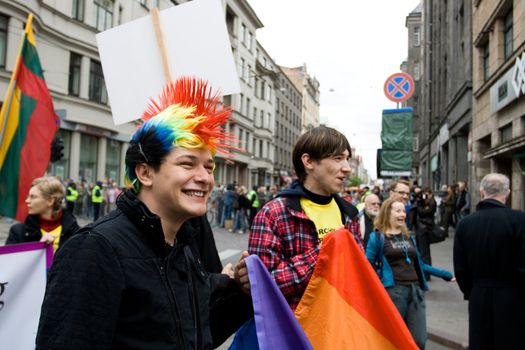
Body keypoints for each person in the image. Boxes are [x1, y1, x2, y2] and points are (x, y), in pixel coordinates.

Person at [36, 78, 251, 349]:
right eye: (187, 163)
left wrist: (241, 293)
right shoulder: (95, 249)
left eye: (209, 167)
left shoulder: (183, 248)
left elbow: (195, 337)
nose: (204, 178)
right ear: (145, 173)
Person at [248, 125, 362, 310]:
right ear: (308, 161)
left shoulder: (350, 214)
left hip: (340, 328)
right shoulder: (274, 214)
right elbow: (262, 287)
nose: (347, 168)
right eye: (338, 158)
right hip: (295, 333)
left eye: (347, 159)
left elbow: (358, 277)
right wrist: (327, 251)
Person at [366, 198, 453, 349]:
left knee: (419, 340)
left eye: (403, 211)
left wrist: (445, 274)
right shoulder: (378, 237)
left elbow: (420, 264)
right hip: (394, 292)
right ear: (388, 212)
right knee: (394, 338)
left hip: (415, 290)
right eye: (398, 211)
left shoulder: (409, 237)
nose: (403, 214)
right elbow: (367, 265)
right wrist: (380, 283)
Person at [453, 173, 525, 349]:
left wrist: (472, 291)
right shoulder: (520, 220)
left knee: (481, 342)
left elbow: (460, 268)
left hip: (479, 294)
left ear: (482, 192)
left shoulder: (465, 223)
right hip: (512, 296)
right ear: (507, 193)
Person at [6, 176, 80, 254]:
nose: (27, 201)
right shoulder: (18, 232)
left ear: (50, 201)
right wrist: (38, 248)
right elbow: (9, 263)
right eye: (28, 196)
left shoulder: (77, 233)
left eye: (33, 197)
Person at [414, 188, 437, 268]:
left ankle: (427, 271)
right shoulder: (426, 201)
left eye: (426, 194)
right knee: (422, 250)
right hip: (422, 227)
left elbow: (423, 212)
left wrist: (419, 205)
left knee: (425, 252)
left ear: (430, 194)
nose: (424, 196)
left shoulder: (432, 202)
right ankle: (425, 269)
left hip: (425, 228)